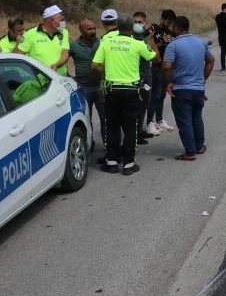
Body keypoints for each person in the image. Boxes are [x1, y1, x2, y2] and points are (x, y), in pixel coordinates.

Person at [91, 14, 159, 175]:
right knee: (130, 128)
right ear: (131, 28)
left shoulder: (106, 42)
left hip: (112, 90)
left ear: (117, 26)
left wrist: (107, 71)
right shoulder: (138, 43)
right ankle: (129, 164)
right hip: (131, 91)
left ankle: (112, 162)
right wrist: (150, 39)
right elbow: (155, 58)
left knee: (112, 126)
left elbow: (94, 65)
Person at [162, 16, 215, 161]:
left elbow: (166, 66)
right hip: (198, 90)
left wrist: (168, 83)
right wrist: (203, 78)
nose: (171, 29)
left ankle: (190, 152)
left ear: (177, 27)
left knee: (184, 121)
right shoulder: (200, 42)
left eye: (172, 26)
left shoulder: (173, 45)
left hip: (181, 89)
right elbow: (210, 60)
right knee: (196, 118)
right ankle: (199, 146)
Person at [68, 18, 106, 153]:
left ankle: (108, 145)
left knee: (105, 117)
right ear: (81, 30)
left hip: (101, 86)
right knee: (85, 118)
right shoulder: (74, 45)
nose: (93, 31)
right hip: (84, 88)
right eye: (89, 29)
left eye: (94, 28)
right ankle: (89, 144)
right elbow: (64, 59)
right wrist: (69, 76)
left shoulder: (102, 42)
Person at [15, 5, 70, 74]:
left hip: (61, 77)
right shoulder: (30, 34)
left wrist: (56, 65)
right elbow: (16, 57)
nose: (64, 22)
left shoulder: (64, 32)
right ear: (51, 21)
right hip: (40, 79)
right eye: (61, 20)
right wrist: (30, 72)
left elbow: (65, 53)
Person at [146, 9, 177, 135]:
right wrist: (160, 42)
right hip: (156, 66)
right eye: (168, 22)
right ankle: (149, 122)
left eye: (171, 23)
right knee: (155, 95)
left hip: (166, 67)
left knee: (162, 95)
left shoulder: (169, 31)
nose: (168, 25)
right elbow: (147, 46)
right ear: (162, 18)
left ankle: (159, 120)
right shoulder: (154, 29)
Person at [133, 12, 155, 145]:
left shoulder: (145, 37)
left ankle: (139, 130)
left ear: (145, 23)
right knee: (138, 105)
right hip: (137, 74)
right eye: (135, 22)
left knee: (145, 104)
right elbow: (153, 55)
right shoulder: (132, 37)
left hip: (146, 73)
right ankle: (135, 134)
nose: (137, 24)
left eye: (139, 22)